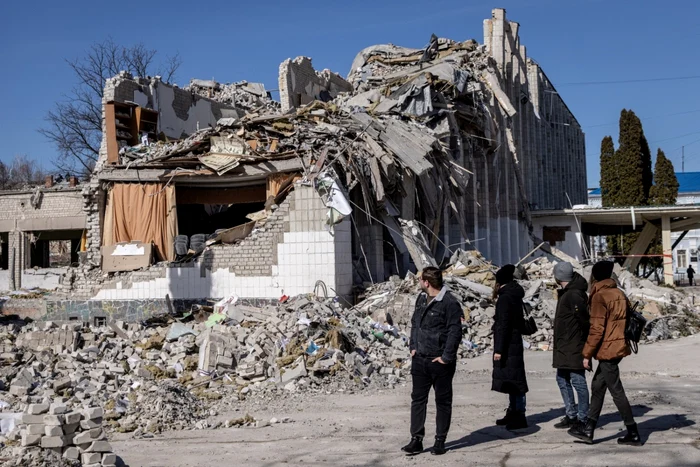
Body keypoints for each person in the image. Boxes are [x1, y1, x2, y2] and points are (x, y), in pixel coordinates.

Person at [568, 261, 641, 446]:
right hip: (617, 346)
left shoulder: (600, 296)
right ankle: (588, 430)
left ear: (595, 276)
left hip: (608, 349)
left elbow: (597, 329)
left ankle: (633, 432)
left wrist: (586, 354)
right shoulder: (619, 293)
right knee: (598, 386)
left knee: (616, 391)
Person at [402, 267, 463, 456]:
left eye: (420, 279)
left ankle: (440, 441)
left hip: (439, 362)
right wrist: (412, 346)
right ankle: (416, 439)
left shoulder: (449, 303)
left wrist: (446, 357)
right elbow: (415, 324)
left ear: (427, 282)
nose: (419, 282)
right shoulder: (421, 299)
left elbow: (455, 332)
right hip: (420, 359)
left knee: (442, 401)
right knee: (418, 400)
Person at [552, 262, 590, 430]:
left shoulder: (574, 294)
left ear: (558, 276)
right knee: (562, 379)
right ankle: (571, 414)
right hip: (565, 346)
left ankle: (582, 418)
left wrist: (586, 347)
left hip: (574, 345)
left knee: (578, 381)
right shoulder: (568, 293)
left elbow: (584, 321)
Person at [491, 264, 529, 430]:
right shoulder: (514, 294)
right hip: (514, 341)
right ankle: (513, 412)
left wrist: (499, 349)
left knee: (515, 381)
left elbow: (503, 325)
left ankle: (519, 414)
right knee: (513, 378)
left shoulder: (505, 298)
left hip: (508, 343)